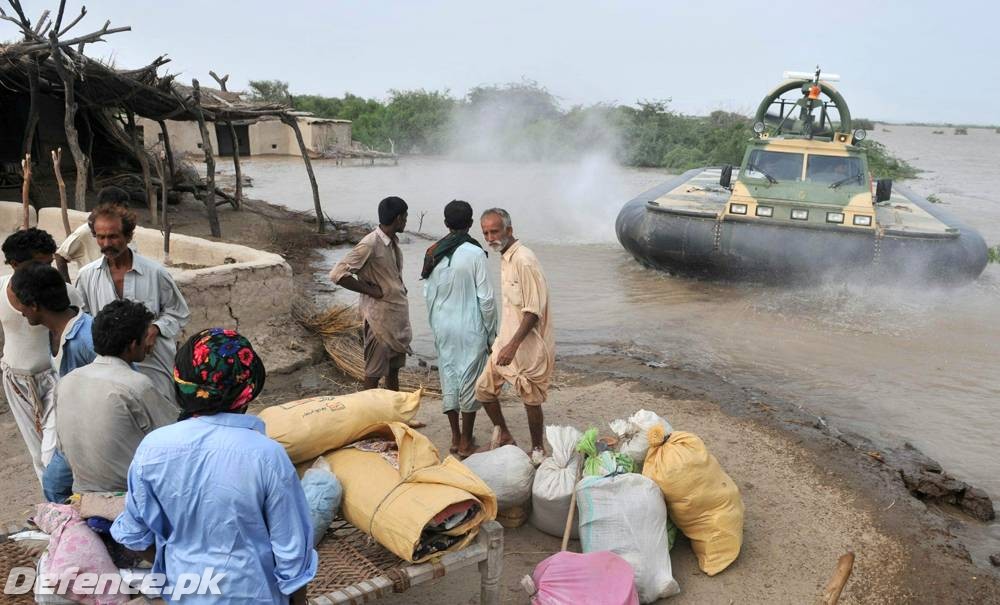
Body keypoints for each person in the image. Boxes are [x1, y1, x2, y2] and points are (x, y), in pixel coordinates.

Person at [112, 329, 317, 604]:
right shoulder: (267, 456)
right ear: (249, 387)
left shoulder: (153, 449)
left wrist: (179, 560)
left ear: (181, 383)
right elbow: (292, 556)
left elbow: (134, 534)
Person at [56, 299, 177, 493]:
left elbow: (63, 449)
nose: (148, 344)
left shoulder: (66, 382)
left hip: (83, 494)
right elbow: (173, 439)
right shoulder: (136, 385)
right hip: (129, 496)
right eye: (145, 337)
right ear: (132, 345)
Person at [75, 202, 190, 402]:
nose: (106, 243)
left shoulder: (155, 273)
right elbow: (81, 318)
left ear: (128, 237)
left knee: (160, 411)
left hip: (152, 362)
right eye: (100, 237)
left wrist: (156, 328)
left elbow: (178, 311)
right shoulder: (86, 276)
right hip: (109, 368)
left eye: (113, 236)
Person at [0, 228, 82, 484]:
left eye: (49, 263)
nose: (48, 271)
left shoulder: (65, 293)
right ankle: (55, 511)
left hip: (54, 381)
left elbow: (76, 335)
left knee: (52, 453)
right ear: (15, 264)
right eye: (39, 264)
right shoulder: (1, 288)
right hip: (16, 381)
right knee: (38, 456)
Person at [475, 208, 555, 465]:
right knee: (484, 390)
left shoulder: (524, 260)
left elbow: (533, 311)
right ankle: (506, 435)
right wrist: (504, 342)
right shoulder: (505, 257)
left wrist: (512, 345)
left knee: (530, 398)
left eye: (494, 231)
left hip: (527, 344)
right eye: (486, 232)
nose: (490, 237)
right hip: (506, 339)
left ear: (509, 230)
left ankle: (538, 449)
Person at [10, 262, 96, 503]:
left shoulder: (87, 340)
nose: (20, 311)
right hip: (72, 429)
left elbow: (123, 384)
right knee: (54, 484)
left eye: (22, 305)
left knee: (58, 488)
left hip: (92, 432)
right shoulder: (55, 332)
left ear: (35, 305)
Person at [422, 201, 497, 457]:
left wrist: (435, 325)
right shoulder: (475, 253)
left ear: (445, 223)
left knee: (449, 378)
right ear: (471, 223)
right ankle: (466, 442)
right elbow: (486, 299)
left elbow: (427, 293)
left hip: (443, 325)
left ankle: (454, 438)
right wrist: (491, 333)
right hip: (470, 327)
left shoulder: (432, 252)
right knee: (469, 382)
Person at [329, 196, 412, 391]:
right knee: (374, 373)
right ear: (399, 218)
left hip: (394, 318)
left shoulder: (392, 242)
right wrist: (371, 290)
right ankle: (369, 417)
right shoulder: (370, 244)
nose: (407, 220)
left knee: (393, 371)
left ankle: (393, 415)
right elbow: (337, 274)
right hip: (378, 321)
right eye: (405, 216)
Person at [54, 186, 133, 283]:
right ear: (110, 207)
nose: (127, 210)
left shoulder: (124, 230)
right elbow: (60, 256)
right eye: (124, 206)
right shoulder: (85, 231)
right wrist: (67, 289)